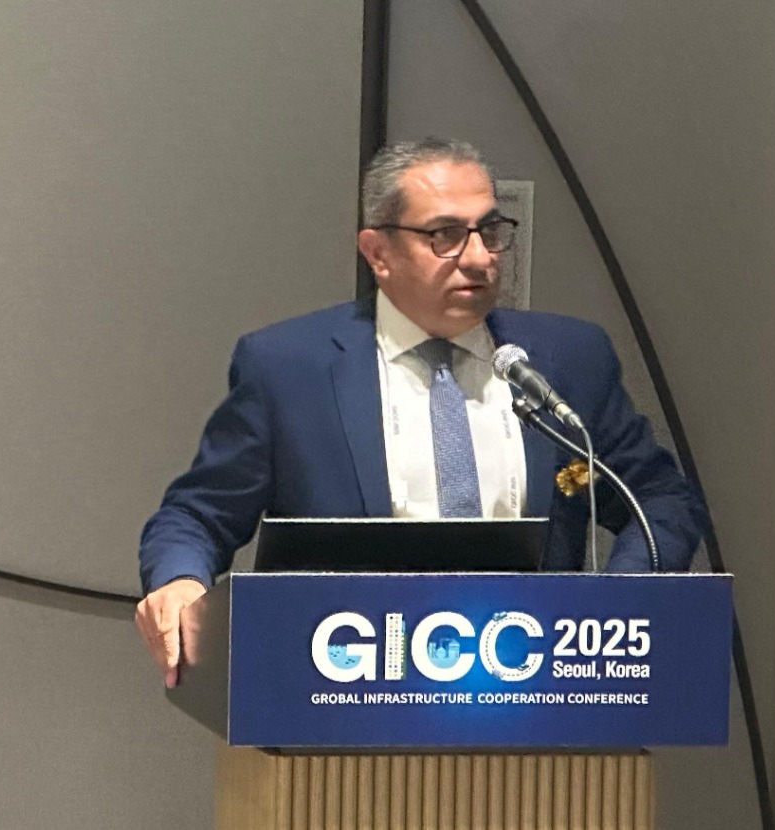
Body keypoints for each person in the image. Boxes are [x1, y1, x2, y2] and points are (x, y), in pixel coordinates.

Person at [134, 138, 709, 686]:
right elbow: (197, 515)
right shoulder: (289, 369)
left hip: (534, 692)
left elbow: (659, 499)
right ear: (377, 253)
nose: (479, 257)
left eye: (489, 231)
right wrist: (179, 582)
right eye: (445, 235)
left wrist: (617, 606)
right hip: (339, 690)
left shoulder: (567, 360)